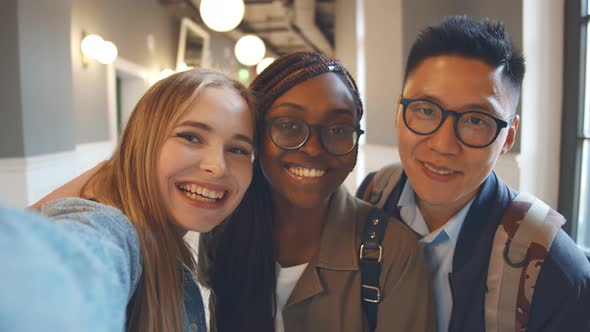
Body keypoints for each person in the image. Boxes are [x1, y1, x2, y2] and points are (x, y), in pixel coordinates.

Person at [356, 16, 590, 332]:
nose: (443, 145)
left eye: (476, 120)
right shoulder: (373, 197)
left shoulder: (554, 270)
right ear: (400, 111)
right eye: (426, 110)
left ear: (508, 136)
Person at [2, 69, 255, 332]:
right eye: (191, 137)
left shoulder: (167, 249)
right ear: (144, 141)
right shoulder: (109, 227)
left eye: (238, 149)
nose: (217, 166)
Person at [200, 52, 435, 332]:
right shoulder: (222, 229)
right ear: (255, 133)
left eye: (338, 129)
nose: (312, 148)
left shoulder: (392, 251)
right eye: (289, 125)